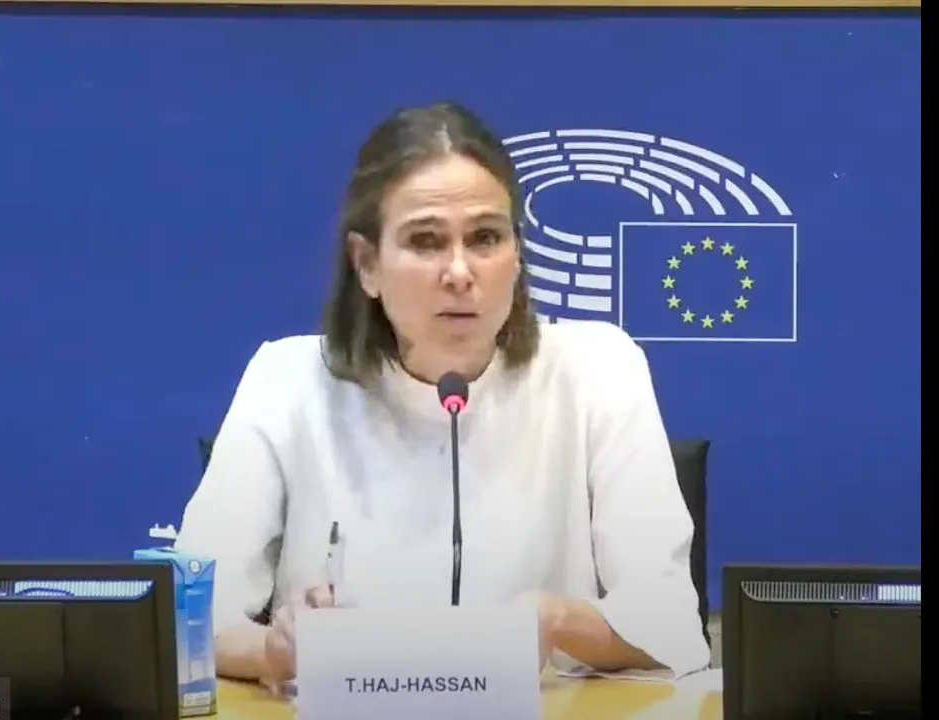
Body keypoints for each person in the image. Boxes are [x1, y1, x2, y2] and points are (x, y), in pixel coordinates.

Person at [173, 101, 710, 687]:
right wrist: (276, 652)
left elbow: (672, 628)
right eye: (426, 242)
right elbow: (185, 622)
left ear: (517, 254)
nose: (459, 272)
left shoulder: (598, 369)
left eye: (485, 238)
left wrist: (556, 621)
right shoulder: (287, 380)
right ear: (367, 264)